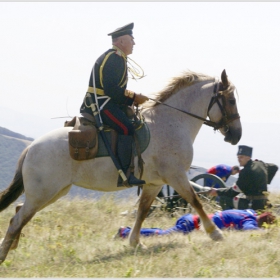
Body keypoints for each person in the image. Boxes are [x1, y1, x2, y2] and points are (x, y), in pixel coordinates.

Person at [80, 23, 149, 187]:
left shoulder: (116, 57)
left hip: (106, 102)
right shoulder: (114, 59)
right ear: (121, 41)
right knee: (126, 128)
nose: (134, 43)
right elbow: (111, 90)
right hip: (100, 104)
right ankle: (125, 175)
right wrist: (133, 98)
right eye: (131, 40)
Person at [115, 209, 276, 239]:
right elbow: (250, 232)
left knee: (163, 233)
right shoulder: (250, 221)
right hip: (192, 224)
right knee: (164, 235)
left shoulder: (249, 213)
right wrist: (266, 234)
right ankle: (124, 233)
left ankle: (129, 231)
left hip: (191, 218)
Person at [209, 145, 278, 210]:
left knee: (224, 198)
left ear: (248, 157)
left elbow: (233, 192)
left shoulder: (245, 171)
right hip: (264, 202)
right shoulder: (260, 163)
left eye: (241, 157)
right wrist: (265, 181)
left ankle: (232, 220)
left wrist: (218, 191)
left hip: (252, 204)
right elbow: (274, 167)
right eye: (238, 157)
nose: (239, 159)